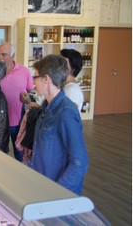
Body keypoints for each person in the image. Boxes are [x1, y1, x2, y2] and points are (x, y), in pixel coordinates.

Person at [29, 54, 89, 195]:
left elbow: (79, 162)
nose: (33, 82)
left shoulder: (66, 112)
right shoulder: (46, 108)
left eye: (35, 77)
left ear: (46, 79)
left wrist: (57, 193)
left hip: (56, 195)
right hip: (42, 186)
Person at [0, 42, 34, 161]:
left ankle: (21, 178)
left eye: (4, 54)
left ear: (13, 56)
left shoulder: (24, 71)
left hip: (17, 121)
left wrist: (27, 99)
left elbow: (32, 92)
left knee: (20, 155)